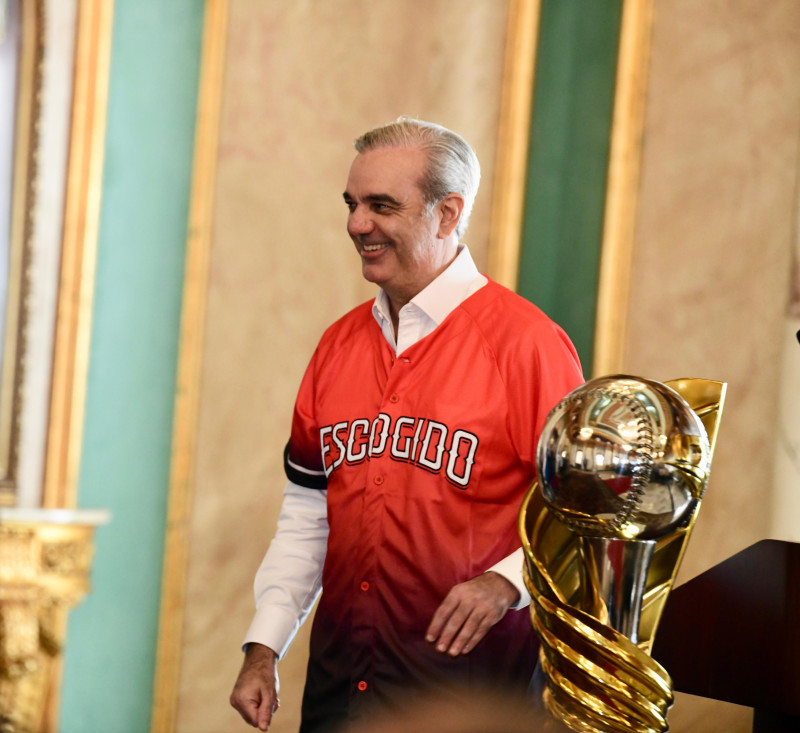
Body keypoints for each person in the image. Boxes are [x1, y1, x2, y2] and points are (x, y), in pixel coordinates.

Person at [230, 118, 584, 732]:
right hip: (340, 694)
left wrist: (506, 583)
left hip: (472, 702)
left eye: (381, 205)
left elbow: (585, 514)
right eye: (352, 204)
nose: (356, 224)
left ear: (448, 214)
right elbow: (308, 514)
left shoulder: (529, 345)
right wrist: (264, 647)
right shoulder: (336, 346)